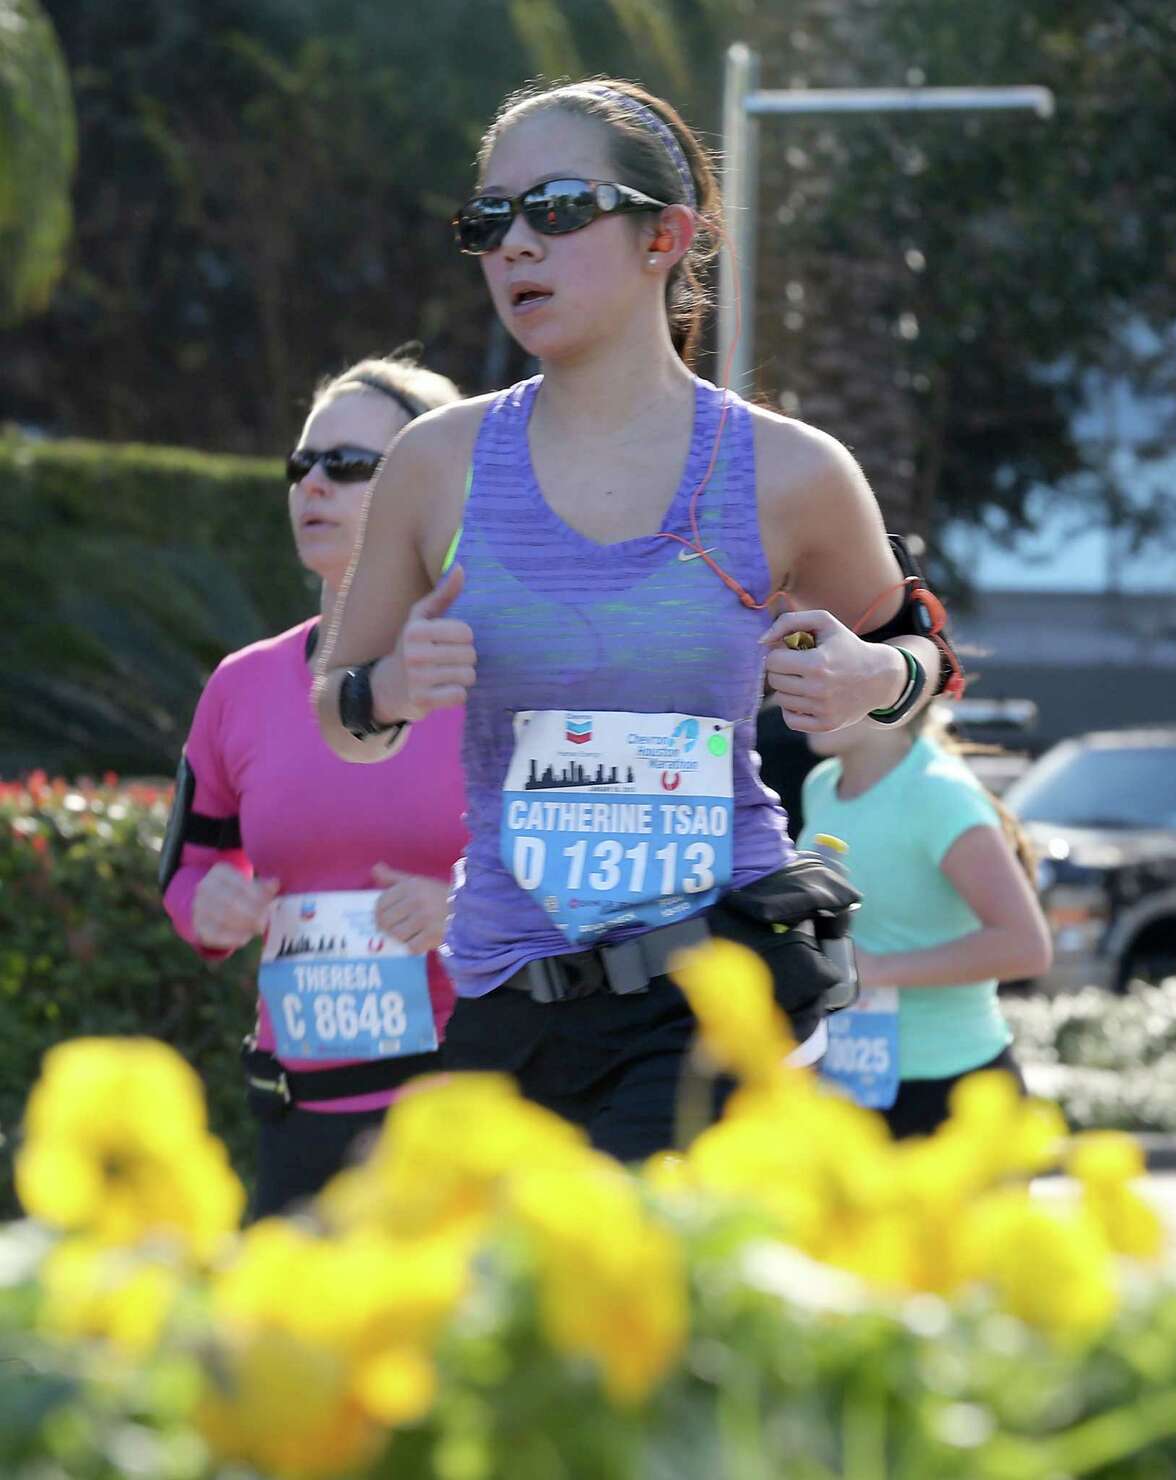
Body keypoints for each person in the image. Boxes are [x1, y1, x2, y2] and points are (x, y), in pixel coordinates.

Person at [314, 78, 956, 1162]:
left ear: (667, 235)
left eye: (556, 210)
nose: (514, 246)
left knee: (629, 1281)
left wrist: (873, 682)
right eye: (488, 221)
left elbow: (923, 645)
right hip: (509, 991)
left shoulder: (788, 470)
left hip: (713, 982)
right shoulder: (436, 465)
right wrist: (393, 688)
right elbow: (341, 713)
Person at [162, 351, 467, 1216]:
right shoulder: (243, 685)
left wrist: (469, 910)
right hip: (296, 1125)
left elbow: (583, 880)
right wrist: (208, 908)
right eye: (303, 464)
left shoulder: (494, 671)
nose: (314, 486)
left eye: (349, 466)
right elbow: (188, 866)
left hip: (461, 1120)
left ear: (429, 488)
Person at [798, 705, 1052, 1137]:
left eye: (831, 668)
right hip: (850, 1092)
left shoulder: (939, 793)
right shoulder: (821, 785)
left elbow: (1026, 946)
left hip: (956, 1098)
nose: (807, 692)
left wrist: (874, 970)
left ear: (892, 689)